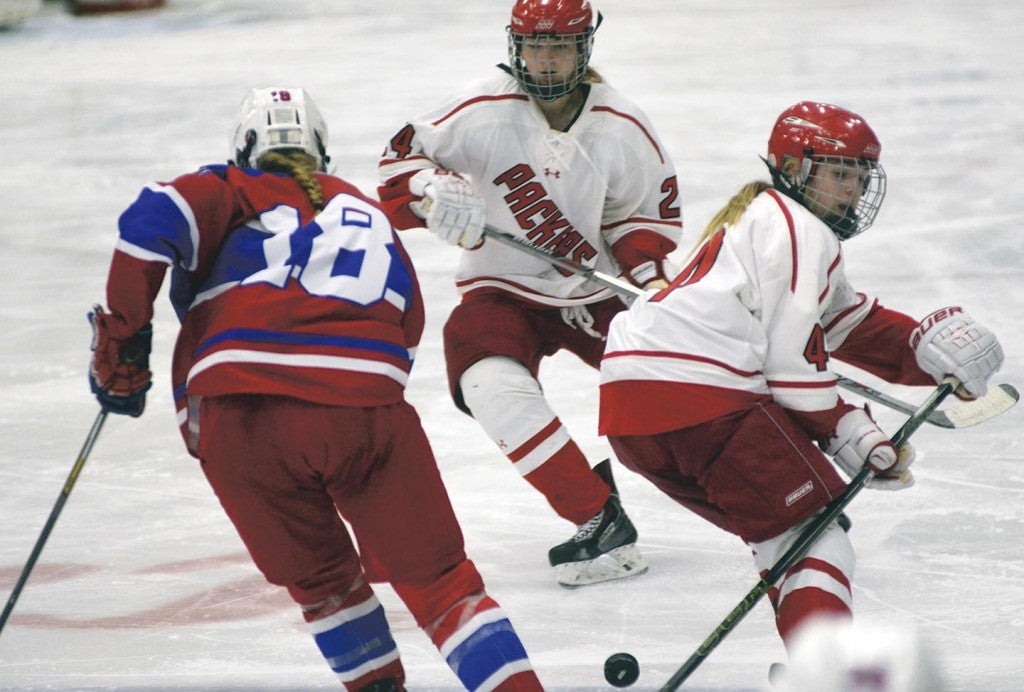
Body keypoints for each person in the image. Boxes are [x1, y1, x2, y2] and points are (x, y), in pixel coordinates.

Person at [87, 86, 544, 691]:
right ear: (321, 152)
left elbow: (149, 222)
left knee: (326, 586)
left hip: (244, 419)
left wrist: (122, 343)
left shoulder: (227, 187)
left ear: (245, 147)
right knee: (443, 586)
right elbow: (408, 318)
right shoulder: (365, 211)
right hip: (366, 408)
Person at [598, 102, 1003, 650]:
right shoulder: (801, 229)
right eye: (839, 174)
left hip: (632, 411)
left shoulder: (761, 218)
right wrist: (852, 433)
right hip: (702, 400)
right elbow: (789, 369)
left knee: (785, 537)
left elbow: (842, 322)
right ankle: (826, 675)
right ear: (795, 169)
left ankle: (809, 663)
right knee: (817, 541)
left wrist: (922, 352)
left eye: (859, 178)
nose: (852, 192)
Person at [377, 0, 683, 588]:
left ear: (583, 47)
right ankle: (597, 516)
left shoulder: (623, 128)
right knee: (489, 383)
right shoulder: (480, 109)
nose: (545, 61)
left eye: (560, 47)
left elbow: (642, 222)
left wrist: (651, 286)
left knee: (679, 387)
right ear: (516, 44)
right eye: (535, 46)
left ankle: (780, 496)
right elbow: (398, 163)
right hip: (502, 289)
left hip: (595, 288)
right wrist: (432, 190)